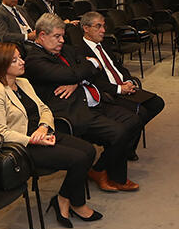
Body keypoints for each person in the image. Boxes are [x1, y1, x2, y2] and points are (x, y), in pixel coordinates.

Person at [0, 43, 100, 228]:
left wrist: (44, 128)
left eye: (20, 57)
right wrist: (32, 139)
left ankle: (63, 197)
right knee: (78, 159)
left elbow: (44, 109)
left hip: (43, 133)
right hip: (23, 147)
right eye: (15, 60)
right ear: (2, 65)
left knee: (89, 150)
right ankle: (76, 204)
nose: (22, 62)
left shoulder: (23, 83)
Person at [23, 14, 143, 192]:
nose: (62, 41)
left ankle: (98, 169)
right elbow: (79, 71)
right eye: (57, 36)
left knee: (134, 120)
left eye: (62, 36)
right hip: (71, 111)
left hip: (91, 100)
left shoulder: (66, 49)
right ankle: (114, 176)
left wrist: (77, 79)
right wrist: (83, 71)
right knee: (118, 132)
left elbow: (95, 66)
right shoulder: (34, 60)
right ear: (42, 36)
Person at [79, 11, 165, 131]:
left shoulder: (104, 44)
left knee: (157, 103)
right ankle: (127, 143)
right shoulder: (80, 51)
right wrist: (119, 89)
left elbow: (119, 67)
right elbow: (93, 81)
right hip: (109, 94)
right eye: (98, 26)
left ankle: (128, 135)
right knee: (140, 113)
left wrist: (129, 81)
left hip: (124, 86)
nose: (103, 30)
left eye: (104, 26)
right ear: (86, 28)